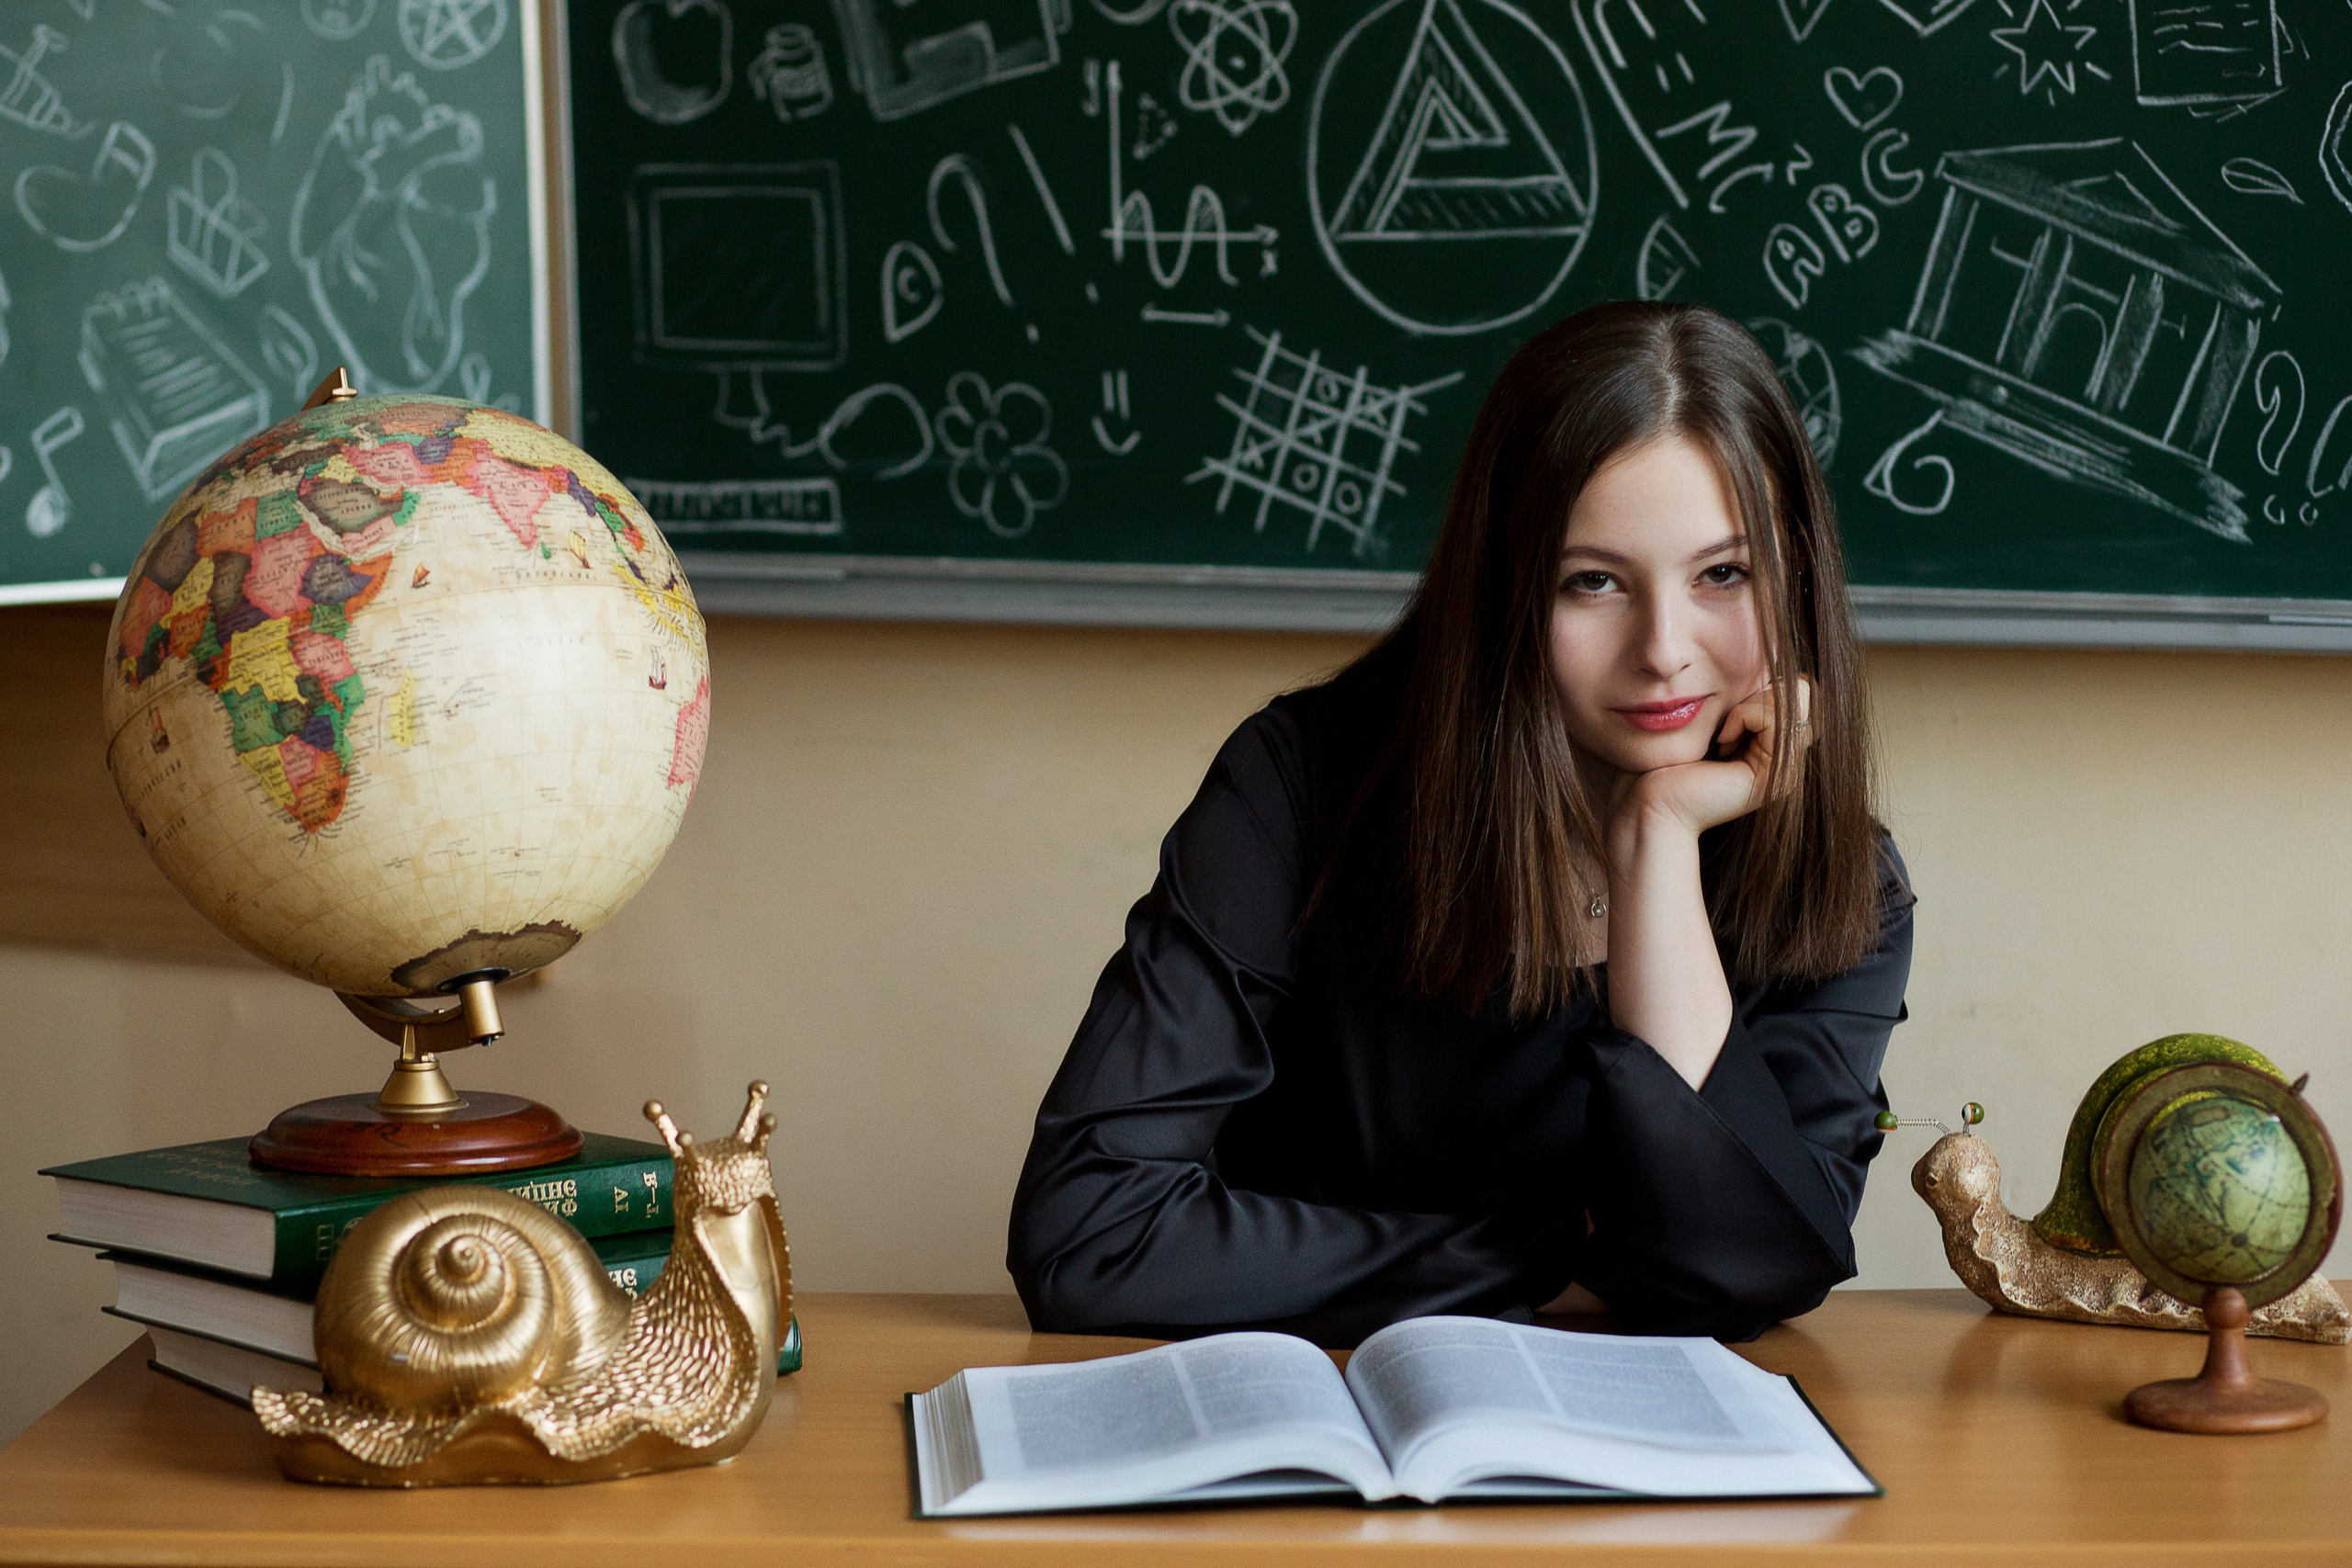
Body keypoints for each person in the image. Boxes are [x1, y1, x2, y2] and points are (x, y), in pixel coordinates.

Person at [1006, 301, 1915, 1348]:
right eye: (1593, 582)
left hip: (1642, 1483)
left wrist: (1657, 842)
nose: (1664, 649)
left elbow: (1743, 1275)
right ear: (1503, 590)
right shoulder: (1298, 787)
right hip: (1311, 1449)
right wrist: (1548, 1260)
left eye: (1722, 574)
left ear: (1793, 565)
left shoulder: (1845, 887)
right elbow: (1089, 1236)